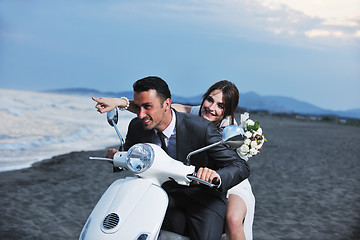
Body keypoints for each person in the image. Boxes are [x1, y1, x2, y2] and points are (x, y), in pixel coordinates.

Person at [93, 76, 250, 240]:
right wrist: (116, 157)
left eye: (147, 107)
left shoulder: (202, 128)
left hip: (203, 196)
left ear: (167, 104)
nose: (140, 114)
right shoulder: (137, 126)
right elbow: (132, 155)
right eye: (138, 107)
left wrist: (215, 176)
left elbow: (240, 166)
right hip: (162, 192)